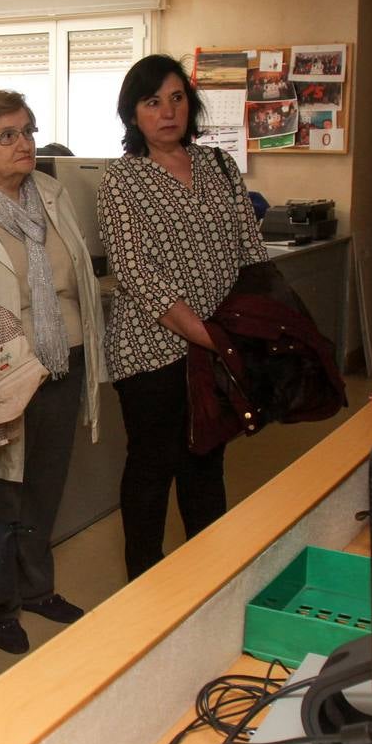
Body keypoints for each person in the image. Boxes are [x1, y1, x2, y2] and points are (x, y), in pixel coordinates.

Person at [96, 54, 268, 581]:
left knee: (207, 457)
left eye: (176, 99)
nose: (167, 112)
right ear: (133, 115)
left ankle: (209, 573)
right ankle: (143, 579)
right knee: (154, 464)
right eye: (152, 102)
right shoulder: (120, 181)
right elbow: (136, 273)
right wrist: (208, 336)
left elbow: (251, 250)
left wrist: (248, 325)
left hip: (220, 341)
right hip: (152, 349)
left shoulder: (218, 165)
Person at [0, 90, 104, 654]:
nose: (24, 144)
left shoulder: (51, 193)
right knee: (3, 491)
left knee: (44, 483)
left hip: (64, 357)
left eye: (28, 131)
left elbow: (78, 277)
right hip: (2, 369)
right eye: (7, 135)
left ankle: (38, 589)